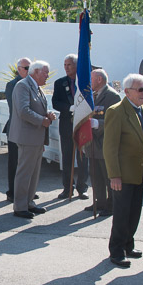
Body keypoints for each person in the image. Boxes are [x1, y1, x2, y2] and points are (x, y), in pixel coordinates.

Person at [103, 73, 143, 268]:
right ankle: (116, 251)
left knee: (134, 212)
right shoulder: (116, 111)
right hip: (122, 174)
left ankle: (128, 244)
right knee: (122, 213)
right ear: (127, 92)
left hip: (139, 172)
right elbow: (110, 146)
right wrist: (114, 175)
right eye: (141, 89)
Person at [9, 60, 56, 219]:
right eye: (45, 72)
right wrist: (42, 120)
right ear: (36, 72)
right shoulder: (23, 85)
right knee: (24, 172)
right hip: (27, 136)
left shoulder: (36, 87)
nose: (47, 76)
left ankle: (29, 202)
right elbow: (24, 111)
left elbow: (37, 107)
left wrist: (48, 114)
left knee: (34, 172)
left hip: (36, 137)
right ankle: (20, 206)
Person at [83, 68, 120, 216]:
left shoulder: (112, 96)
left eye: (91, 79)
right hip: (92, 143)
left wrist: (98, 124)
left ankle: (111, 204)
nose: (89, 82)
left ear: (99, 80)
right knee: (95, 175)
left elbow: (115, 121)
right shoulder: (91, 95)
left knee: (107, 175)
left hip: (105, 143)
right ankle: (100, 201)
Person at [52, 54, 89, 200]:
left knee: (83, 158)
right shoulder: (60, 83)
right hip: (67, 125)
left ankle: (82, 188)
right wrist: (69, 108)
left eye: (69, 65)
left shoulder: (85, 82)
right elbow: (55, 103)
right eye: (65, 65)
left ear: (76, 66)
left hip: (82, 124)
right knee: (67, 158)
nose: (66, 68)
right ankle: (67, 188)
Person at [4, 57, 31, 203]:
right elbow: (15, 108)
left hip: (29, 129)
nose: (28, 71)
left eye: (30, 68)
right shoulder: (12, 85)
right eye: (26, 68)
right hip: (16, 128)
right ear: (18, 69)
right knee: (14, 162)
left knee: (26, 162)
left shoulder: (31, 84)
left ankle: (26, 190)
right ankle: (12, 192)